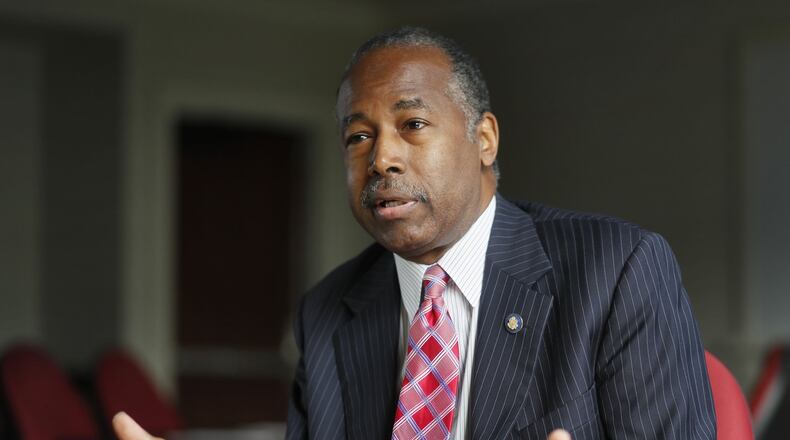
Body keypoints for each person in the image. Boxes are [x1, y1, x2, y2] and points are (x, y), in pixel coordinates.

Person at [113, 27, 716, 440]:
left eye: (413, 123)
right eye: (358, 137)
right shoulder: (327, 312)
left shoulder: (617, 270)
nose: (381, 159)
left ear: (484, 140)